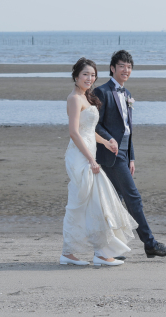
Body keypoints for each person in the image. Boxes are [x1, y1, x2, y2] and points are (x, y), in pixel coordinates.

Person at [94, 50, 166, 258]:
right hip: (110, 153)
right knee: (133, 198)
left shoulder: (128, 94)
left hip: (124, 154)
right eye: (122, 66)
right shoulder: (101, 92)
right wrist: (110, 140)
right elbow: (95, 124)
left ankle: (114, 248)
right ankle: (150, 244)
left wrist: (132, 157)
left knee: (116, 200)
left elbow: (129, 129)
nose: (126, 70)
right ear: (113, 68)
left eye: (129, 67)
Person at [60, 57, 138, 267]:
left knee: (89, 203)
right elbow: (74, 133)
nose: (89, 78)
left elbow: (89, 131)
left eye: (93, 75)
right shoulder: (74, 99)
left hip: (88, 153)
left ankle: (82, 252)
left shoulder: (87, 97)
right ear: (76, 76)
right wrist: (91, 160)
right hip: (80, 157)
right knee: (89, 202)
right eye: (85, 74)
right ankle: (97, 253)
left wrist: (106, 142)